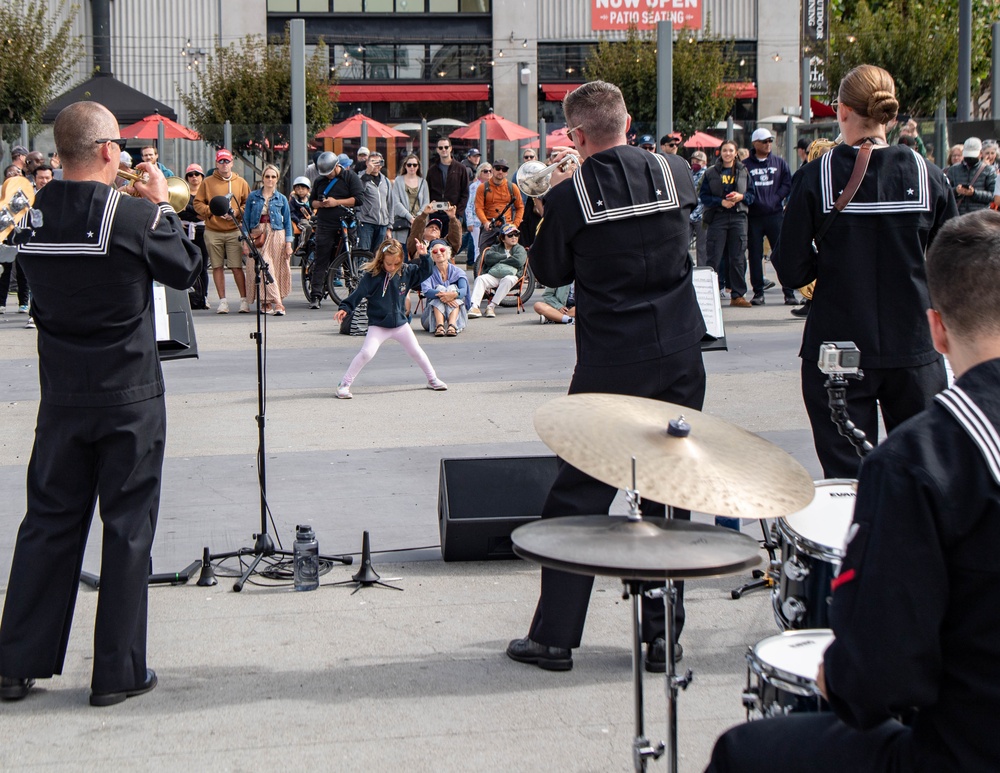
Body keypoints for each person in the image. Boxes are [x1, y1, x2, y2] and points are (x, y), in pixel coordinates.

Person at [707, 208, 1000, 773]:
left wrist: (835, 675)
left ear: (936, 328)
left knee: (744, 754)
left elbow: (877, 680)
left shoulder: (923, 459)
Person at [0, 101, 201, 706]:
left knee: (48, 523)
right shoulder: (133, 215)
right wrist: (160, 202)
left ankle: (15, 663)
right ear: (111, 150)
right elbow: (187, 269)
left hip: (61, 395)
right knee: (127, 529)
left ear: (59, 155)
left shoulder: (30, 218)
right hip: (129, 395)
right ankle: (117, 672)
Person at [506, 80, 706, 674]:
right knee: (668, 494)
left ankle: (555, 638)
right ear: (626, 122)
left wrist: (544, 210)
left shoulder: (571, 197)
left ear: (577, 134)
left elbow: (549, 270)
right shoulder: (676, 173)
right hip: (679, 350)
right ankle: (661, 638)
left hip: (612, 359)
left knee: (578, 496)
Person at [774, 64, 957, 479]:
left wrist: (833, 271)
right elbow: (951, 264)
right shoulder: (929, 175)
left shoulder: (815, 175)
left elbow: (790, 268)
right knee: (922, 475)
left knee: (847, 480)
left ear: (841, 112)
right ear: (890, 115)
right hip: (914, 344)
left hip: (837, 346)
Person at [333, 238, 447, 398]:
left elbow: (425, 273)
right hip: (378, 325)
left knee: (416, 351)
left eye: (396, 263)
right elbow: (358, 294)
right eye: (389, 264)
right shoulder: (371, 276)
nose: (392, 267)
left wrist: (424, 256)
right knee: (366, 353)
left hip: (400, 324)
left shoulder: (406, 271)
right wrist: (345, 307)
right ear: (381, 260)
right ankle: (344, 385)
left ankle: (432, 379)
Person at [744, 127, 799, 306]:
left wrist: (776, 198)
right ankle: (758, 292)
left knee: (781, 253)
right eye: (764, 141)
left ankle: (789, 292)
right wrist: (754, 201)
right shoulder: (746, 165)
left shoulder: (779, 163)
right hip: (754, 216)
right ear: (755, 144)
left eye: (770, 141)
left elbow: (787, 183)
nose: (768, 144)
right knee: (755, 255)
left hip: (775, 215)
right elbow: (743, 187)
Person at [193, 148, 251, 314]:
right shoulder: (207, 182)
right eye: (221, 161)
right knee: (217, 267)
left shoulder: (241, 183)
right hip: (213, 230)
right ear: (216, 163)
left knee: (236, 267)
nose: (224, 164)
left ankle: (243, 301)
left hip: (234, 230)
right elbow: (198, 203)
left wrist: (237, 213)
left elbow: (247, 203)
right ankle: (223, 301)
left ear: (232, 163)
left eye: (227, 161)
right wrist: (213, 211)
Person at [700, 139, 755, 307]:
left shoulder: (744, 171)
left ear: (736, 152)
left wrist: (741, 197)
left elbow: (752, 195)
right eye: (725, 150)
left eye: (731, 150)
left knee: (738, 257)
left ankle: (737, 295)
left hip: (738, 217)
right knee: (714, 257)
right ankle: (711, 295)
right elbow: (703, 196)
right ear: (720, 152)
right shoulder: (711, 173)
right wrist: (720, 202)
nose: (728, 153)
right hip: (718, 217)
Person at [307, 151, 363, 309]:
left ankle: (353, 290)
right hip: (325, 223)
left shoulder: (350, 177)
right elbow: (312, 202)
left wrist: (336, 202)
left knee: (348, 257)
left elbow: (359, 199)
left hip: (346, 223)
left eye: (330, 172)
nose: (328, 176)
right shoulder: (320, 180)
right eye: (325, 174)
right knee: (321, 258)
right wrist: (321, 204)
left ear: (337, 166)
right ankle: (316, 295)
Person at [243, 163, 293, 316]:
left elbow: (288, 222)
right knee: (263, 265)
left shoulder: (282, 198)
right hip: (258, 234)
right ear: (263, 178)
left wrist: (288, 243)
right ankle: (276, 303)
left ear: (277, 179)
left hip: (276, 233)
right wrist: (245, 241)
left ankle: (268, 302)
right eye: (267, 176)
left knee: (276, 268)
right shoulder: (253, 197)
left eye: (273, 177)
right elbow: (245, 220)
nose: (270, 179)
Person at [468, 222, 527, 318]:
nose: (514, 237)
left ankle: (491, 307)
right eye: (510, 235)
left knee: (508, 279)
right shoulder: (495, 248)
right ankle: (474, 307)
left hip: (512, 276)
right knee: (480, 279)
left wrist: (499, 260)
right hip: (494, 275)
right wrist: (507, 257)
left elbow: (519, 261)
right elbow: (489, 258)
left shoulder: (519, 249)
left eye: (516, 234)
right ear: (503, 238)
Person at [177, 163, 211, 310]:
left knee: (202, 265)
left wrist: (188, 208)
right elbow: (178, 209)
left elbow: (204, 213)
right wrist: (192, 213)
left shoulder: (206, 193)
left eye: (197, 174)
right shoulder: (182, 192)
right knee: (185, 264)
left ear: (202, 176)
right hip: (185, 229)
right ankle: (188, 297)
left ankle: (204, 296)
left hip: (202, 230)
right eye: (190, 175)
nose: (194, 177)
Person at [419, 239, 469, 336]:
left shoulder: (458, 271)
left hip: (458, 318)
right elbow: (427, 292)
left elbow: (464, 291)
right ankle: (439, 325)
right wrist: (445, 296)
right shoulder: (428, 272)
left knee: (452, 288)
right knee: (440, 289)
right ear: (432, 256)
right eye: (435, 251)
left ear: (448, 252)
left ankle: (452, 325)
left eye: (442, 250)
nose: (439, 253)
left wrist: (453, 295)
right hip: (430, 318)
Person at [474, 159, 523, 251]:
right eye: (498, 168)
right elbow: (478, 208)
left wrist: (515, 225)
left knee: (514, 253)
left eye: (504, 169)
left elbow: (520, 207)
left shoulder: (512, 187)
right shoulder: (483, 187)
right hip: (490, 225)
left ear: (507, 173)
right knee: (484, 252)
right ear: (492, 170)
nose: (500, 171)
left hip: (507, 225)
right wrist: (485, 222)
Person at [944, 137, 996, 215]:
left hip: (980, 216)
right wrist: (956, 191)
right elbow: (945, 191)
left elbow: (993, 196)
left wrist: (974, 193)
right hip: (959, 216)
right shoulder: (953, 170)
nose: (970, 158)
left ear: (981, 154)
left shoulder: (989, 170)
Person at [391, 153, 429, 247]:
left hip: (419, 221)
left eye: (415, 165)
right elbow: (396, 203)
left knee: (417, 249)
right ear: (405, 166)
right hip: (403, 221)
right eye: (409, 165)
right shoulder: (398, 181)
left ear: (418, 167)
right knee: (401, 249)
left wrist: (418, 218)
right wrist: (410, 217)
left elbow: (426, 202)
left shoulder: (423, 182)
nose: (412, 167)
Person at [356, 151, 391, 252]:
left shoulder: (386, 181)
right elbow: (359, 193)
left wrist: (389, 226)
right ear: (367, 163)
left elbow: (390, 203)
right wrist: (367, 173)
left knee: (378, 255)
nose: (376, 165)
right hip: (366, 222)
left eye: (379, 162)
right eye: (373, 162)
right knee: (364, 254)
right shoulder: (360, 178)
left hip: (382, 224)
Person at [426, 138, 469, 216]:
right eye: (440, 148)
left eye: (446, 147)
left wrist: (458, 212)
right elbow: (427, 191)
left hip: (454, 213)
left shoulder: (461, 168)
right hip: (435, 213)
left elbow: (465, 193)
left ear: (450, 148)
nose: (443, 149)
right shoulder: (432, 170)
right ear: (437, 150)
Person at [464, 162, 492, 267]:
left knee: (489, 246)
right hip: (477, 221)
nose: (488, 173)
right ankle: (478, 269)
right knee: (477, 246)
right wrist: (469, 221)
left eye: (490, 171)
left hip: (490, 221)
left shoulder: (494, 186)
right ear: (480, 172)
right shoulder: (474, 186)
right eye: (485, 171)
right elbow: (469, 205)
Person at [689, 150, 709, 266]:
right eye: (693, 160)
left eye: (698, 161)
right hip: (689, 214)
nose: (695, 163)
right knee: (683, 245)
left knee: (702, 247)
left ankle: (703, 270)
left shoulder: (707, 174)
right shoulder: (689, 172)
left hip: (702, 216)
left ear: (704, 162)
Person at [288, 175, 313, 254]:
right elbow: (291, 212)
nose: (300, 191)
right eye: (298, 188)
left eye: (303, 188)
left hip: (312, 219)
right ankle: (301, 247)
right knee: (307, 228)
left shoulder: (311, 200)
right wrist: (297, 220)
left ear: (308, 190)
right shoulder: (294, 201)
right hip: (300, 220)